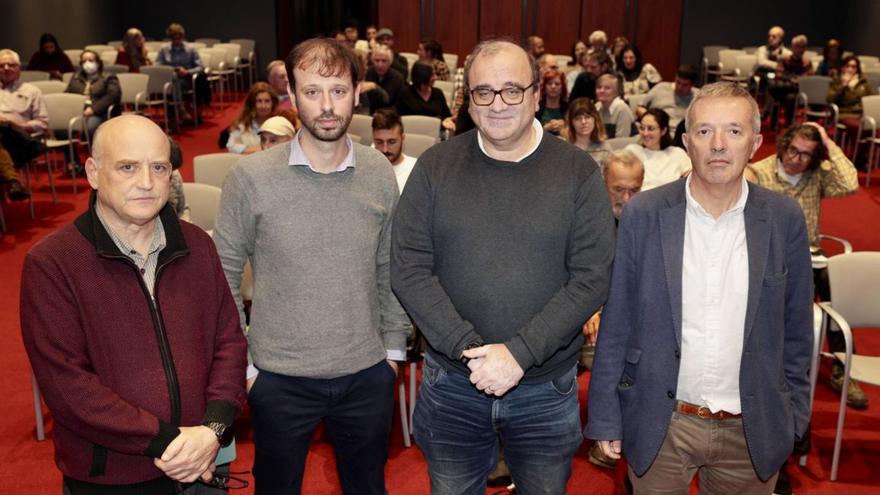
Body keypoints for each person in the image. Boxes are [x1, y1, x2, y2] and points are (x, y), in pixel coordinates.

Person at [391, 39, 615, 495]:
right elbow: (408, 269)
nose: (498, 104)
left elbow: (592, 277)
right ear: (468, 102)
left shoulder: (578, 172)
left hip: (545, 388)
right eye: (484, 92)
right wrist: (469, 350)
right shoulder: (435, 166)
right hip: (452, 382)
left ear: (537, 96)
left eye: (512, 90)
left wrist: (517, 354)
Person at [586, 81, 814, 494]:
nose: (719, 145)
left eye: (734, 131)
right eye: (705, 132)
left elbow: (798, 331)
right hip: (662, 422)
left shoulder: (784, 219)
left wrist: (793, 419)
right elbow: (617, 320)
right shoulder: (644, 213)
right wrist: (606, 416)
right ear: (687, 142)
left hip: (752, 428)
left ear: (756, 143)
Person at [214, 37, 410, 495]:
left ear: (357, 93)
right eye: (313, 91)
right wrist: (244, 363)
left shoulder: (379, 171)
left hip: (366, 373)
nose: (326, 106)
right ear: (293, 95)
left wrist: (394, 353)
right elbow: (221, 273)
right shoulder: (250, 178)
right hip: (277, 378)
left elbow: (391, 265)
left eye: (338, 91)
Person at [20, 114, 248, 494]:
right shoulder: (52, 264)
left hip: (205, 459)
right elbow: (67, 386)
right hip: (114, 476)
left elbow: (229, 341)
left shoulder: (198, 245)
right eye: (127, 167)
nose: (146, 182)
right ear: (93, 172)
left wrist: (214, 428)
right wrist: (169, 442)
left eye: (159, 167)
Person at [746, 122, 865, 409]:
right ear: (784, 145)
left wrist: (827, 139)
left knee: (835, 289)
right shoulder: (760, 172)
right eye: (792, 150)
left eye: (804, 155)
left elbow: (850, 183)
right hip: (768, 255)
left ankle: (841, 366)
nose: (795, 159)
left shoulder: (816, 176)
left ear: (814, 157)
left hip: (810, 254)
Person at [0, 48, 47, 200]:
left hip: (20, 140)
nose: (6, 68)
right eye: (1, 66)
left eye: (11, 65)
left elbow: (42, 124)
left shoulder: (32, 91)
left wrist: (14, 123)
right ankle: (12, 181)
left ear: (19, 68)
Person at [625, 108, 691, 190]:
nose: (645, 133)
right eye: (642, 128)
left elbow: (692, 177)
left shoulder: (676, 153)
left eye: (651, 128)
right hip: (641, 199)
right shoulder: (632, 151)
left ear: (663, 131)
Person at [157, 23, 208, 121]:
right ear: (170, 38)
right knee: (173, 76)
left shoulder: (190, 49)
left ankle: (178, 111)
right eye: (174, 38)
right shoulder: (164, 50)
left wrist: (187, 72)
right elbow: (157, 66)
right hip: (169, 81)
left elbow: (201, 67)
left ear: (182, 37)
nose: (177, 40)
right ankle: (180, 108)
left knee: (174, 81)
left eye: (179, 38)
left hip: (187, 80)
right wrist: (169, 70)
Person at [65, 49, 121, 136]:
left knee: (90, 127)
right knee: (62, 128)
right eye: (84, 61)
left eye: (91, 60)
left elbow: (113, 96)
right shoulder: (76, 77)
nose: (87, 63)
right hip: (80, 110)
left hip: (101, 111)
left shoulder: (108, 77)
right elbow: (68, 94)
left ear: (98, 63)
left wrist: (93, 109)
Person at [768, 34, 814, 130]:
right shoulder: (785, 59)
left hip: (799, 92)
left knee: (791, 97)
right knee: (781, 94)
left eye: (802, 47)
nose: (800, 50)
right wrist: (792, 79)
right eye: (797, 47)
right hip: (783, 89)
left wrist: (798, 80)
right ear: (792, 47)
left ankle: (789, 126)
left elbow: (809, 77)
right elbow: (779, 74)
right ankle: (780, 125)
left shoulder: (807, 62)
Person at [828, 55, 875, 147]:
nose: (850, 69)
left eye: (853, 67)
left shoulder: (862, 81)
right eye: (847, 66)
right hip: (844, 113)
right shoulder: (836, 81)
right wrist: (843, 85)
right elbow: (830, 99)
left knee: (871, 125)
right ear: (842, 67)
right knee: (859, 127)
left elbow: (871, 98)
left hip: (861, 114)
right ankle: (856, 155)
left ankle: (864, 154)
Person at [638, 64, 699, 131]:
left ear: (692, 85)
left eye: (685, 85)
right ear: (675, 78)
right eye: (678, 82)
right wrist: (650, 120)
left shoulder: (697, 97)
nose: (680, 87)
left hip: (680, 133)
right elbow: (640, 108)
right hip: (657, 130)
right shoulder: (660, 87)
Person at [372, 108, 418, 192]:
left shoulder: (416, 170)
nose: (385, 149)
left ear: (402, 138)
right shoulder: (365, 165)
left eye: (391, 142)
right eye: (379, 142)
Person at [225, 82, 279, 154]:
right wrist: (262, 149)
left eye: (267, 101)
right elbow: (231, 147)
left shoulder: (279, 123)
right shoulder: (242, 124)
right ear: (252, 104)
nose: (263, 106)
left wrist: (247, 149)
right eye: (259, 101)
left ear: (273, 103)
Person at [562, 97, 611, 164]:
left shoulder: (605, 148)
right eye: (578, 118)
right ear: (571, 122)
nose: (583, 122)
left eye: (587, 117)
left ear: (595, 119)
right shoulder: (563, 147)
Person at [595, 73, 634, 138]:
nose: (601, 91)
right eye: (599, 87)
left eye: (607, 88)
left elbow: (621, 141)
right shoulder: (596, 107)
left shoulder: (622, 109)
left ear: (616, 92)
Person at [537, 68, 567, 135]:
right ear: (544, 87)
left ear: (562, 87)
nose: (553, 86)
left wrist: (565, 126)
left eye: (557, 84)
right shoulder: (537, 107)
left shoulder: (568, 107)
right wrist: (546, 128)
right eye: (549, 83)